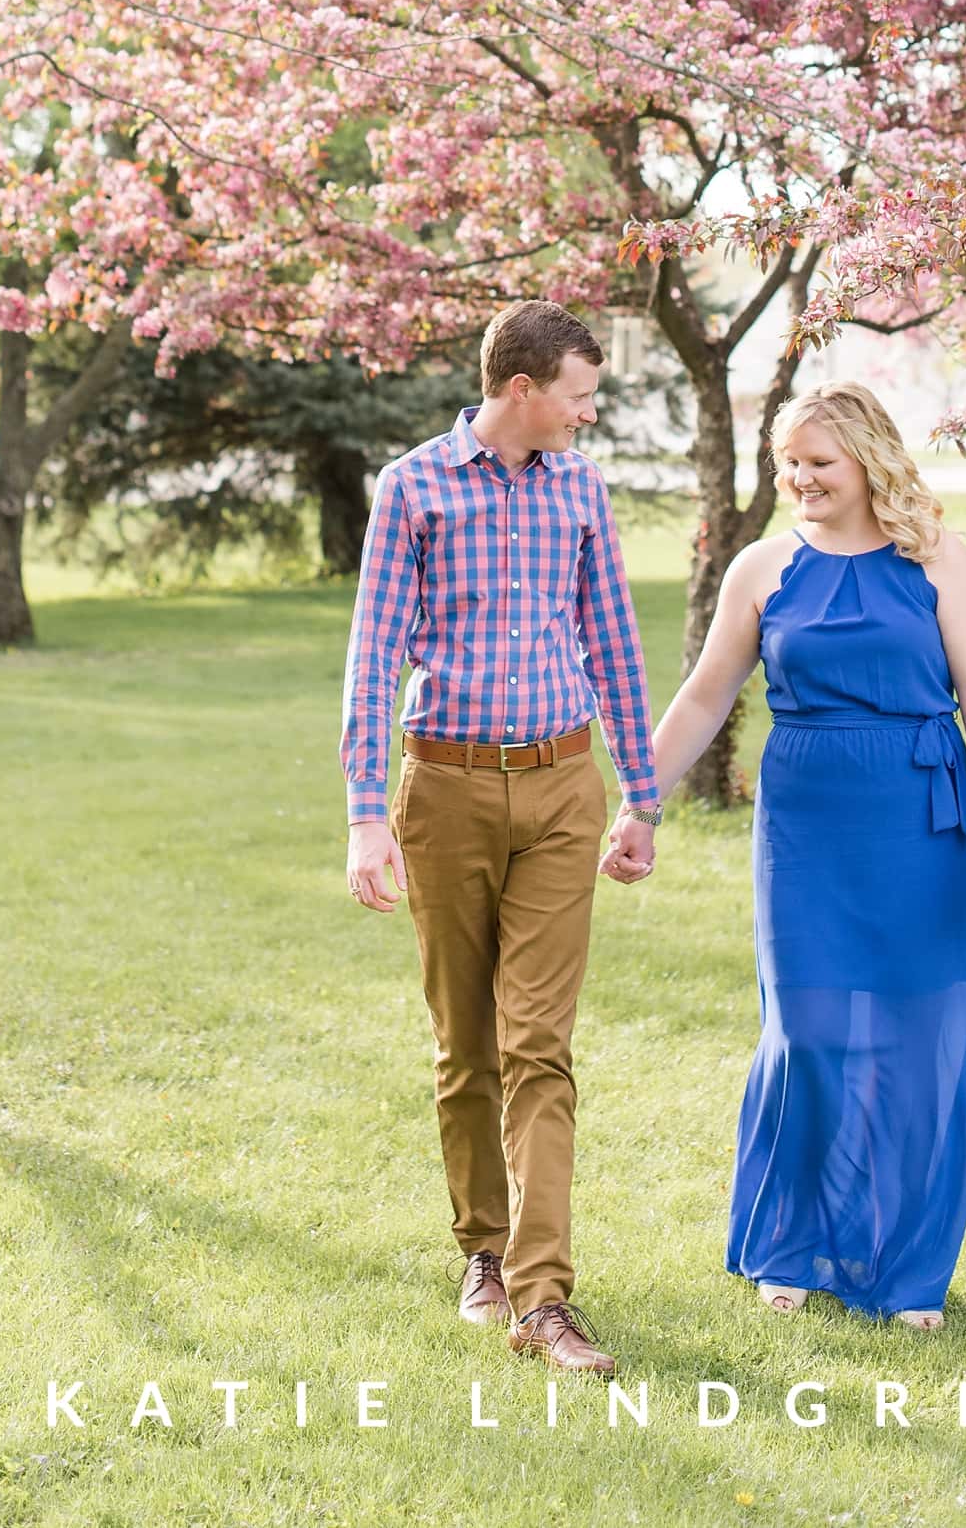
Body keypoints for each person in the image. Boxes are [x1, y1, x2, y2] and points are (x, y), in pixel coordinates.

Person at [649, 381, 966, 1327]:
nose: (802, 478)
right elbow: (703, 698)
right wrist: (638, 801)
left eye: (821, 461)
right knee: (805, 1033)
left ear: (867, 461)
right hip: (805, 829)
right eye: (790, 463)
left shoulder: (938, 561)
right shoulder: (763, 569)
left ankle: (905, 1273)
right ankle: (793, 1244)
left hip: (922, 822)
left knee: (919, 1041)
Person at [342, 299, 662, 1379]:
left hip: (565, 786)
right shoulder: (414, 488)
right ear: (519, 389)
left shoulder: (579, 486)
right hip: (445, 791)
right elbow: (371, 656)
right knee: (463, 1046)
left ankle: (542, 1297)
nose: (588, 413)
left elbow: (612, 637)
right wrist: (360, 815)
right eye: (578, 394)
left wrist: (642, 795)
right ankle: (479, 1250)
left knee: (540, 1046)